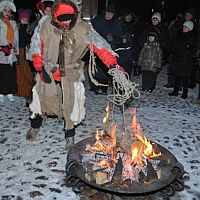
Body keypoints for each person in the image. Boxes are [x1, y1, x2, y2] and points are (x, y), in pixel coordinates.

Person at [26, 0, 126, 150]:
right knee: (39, 100)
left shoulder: (84, 28)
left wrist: (113, 64)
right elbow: (36, 46)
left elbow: (100, 46)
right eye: (62, 17)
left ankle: (69, 135)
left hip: (70, 70)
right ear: (55, 16)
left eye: (69, 17)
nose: (66, 21)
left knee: (70, 104)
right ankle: (35, 125)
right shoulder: (45, 25)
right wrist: (39, 67)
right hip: (48, 69)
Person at [89, 4, 123, 95]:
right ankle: (94, 86)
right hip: (98, 47)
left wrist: (112, 39)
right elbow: (91, 31)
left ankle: (104, 89)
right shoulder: (98, 21)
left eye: (111, 14)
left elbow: (120, 39)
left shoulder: (116, 24)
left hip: (109, 49)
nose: (109, 15)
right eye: (107, 13)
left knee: (106, 70)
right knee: (96, 67)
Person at [168, 21, 197, 99]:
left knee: (185, 77)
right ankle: (175, 91)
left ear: (190, 29)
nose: (184, 28)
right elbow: (173, 44)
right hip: (177, 58)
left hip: (185, 60)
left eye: (186, 27)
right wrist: (174, 50)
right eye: (184, 26)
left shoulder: (192, 37)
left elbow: (191, 49)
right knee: (177, 75)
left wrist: (183, 52)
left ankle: (185, 93)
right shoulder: (179, 35)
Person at [0, 0, 19, 103]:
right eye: (5, 10)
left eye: (9, 11)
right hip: (1, 51)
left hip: (11, 50)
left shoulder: (13, 23)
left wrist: (14, 47)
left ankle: (10, 92)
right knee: (2, 72)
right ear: (2, 11)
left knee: (11, 72)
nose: (7, 13)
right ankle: (1, 92)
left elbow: (16, 37)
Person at [15, 9, 33, 105]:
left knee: (27, 71)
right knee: (19, 71)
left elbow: (30, 40)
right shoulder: (17, 28)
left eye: (26, 19)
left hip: (26, 52)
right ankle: (21, 90)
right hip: (18, 51)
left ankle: (28, 89)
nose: (24, 20)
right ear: (20, 19)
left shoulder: (29, 29)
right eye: (23, 19)